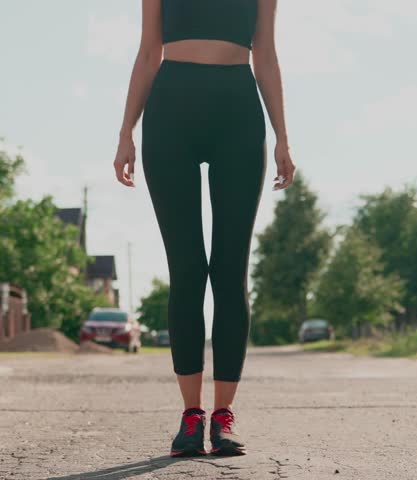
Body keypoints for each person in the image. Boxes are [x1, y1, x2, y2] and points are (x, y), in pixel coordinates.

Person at [113, 0, 294, 457]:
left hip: (238, 114)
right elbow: (148, 52)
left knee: (229, 272)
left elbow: (266, 57)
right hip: (169, 113)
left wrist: (283, 139)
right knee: (188, 270)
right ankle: (191, 415)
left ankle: (223, 416)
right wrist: (125, 131)